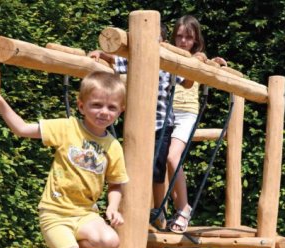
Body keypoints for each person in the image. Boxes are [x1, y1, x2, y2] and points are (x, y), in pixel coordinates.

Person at [0, 68, 129, 248]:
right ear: (81, 106)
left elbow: (116, 184)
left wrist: (113, 207)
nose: (104, 112)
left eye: (111, 107)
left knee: (112, 241)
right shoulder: (66, 128)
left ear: (120, 111)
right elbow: (21, 129)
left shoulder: (113, 146)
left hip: (85, 215)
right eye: (96, 105)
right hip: (55, 215)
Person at [88, 23, 191, 230]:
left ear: (163, 43)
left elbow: (187, 80)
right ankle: (137, 209)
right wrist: (100, 53)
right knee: (134, 166)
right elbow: (116, 60)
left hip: (163, 123)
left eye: (157, 40)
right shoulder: (135, 61)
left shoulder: (167, 64)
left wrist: (193, 62)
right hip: (140, 123)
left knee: (157, 169)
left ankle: (160, 209)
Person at [167, 15, 227, 233]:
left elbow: (205, 68)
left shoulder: (198, 58)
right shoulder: (167, 55)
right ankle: (161, 209)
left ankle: (183, 208)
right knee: (157, 162)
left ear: (195, 40)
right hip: (165, 112)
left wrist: (216, 63)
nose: (183, 41)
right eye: (179, 36)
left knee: (173, 157)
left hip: (186, 114)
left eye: (188, 37)